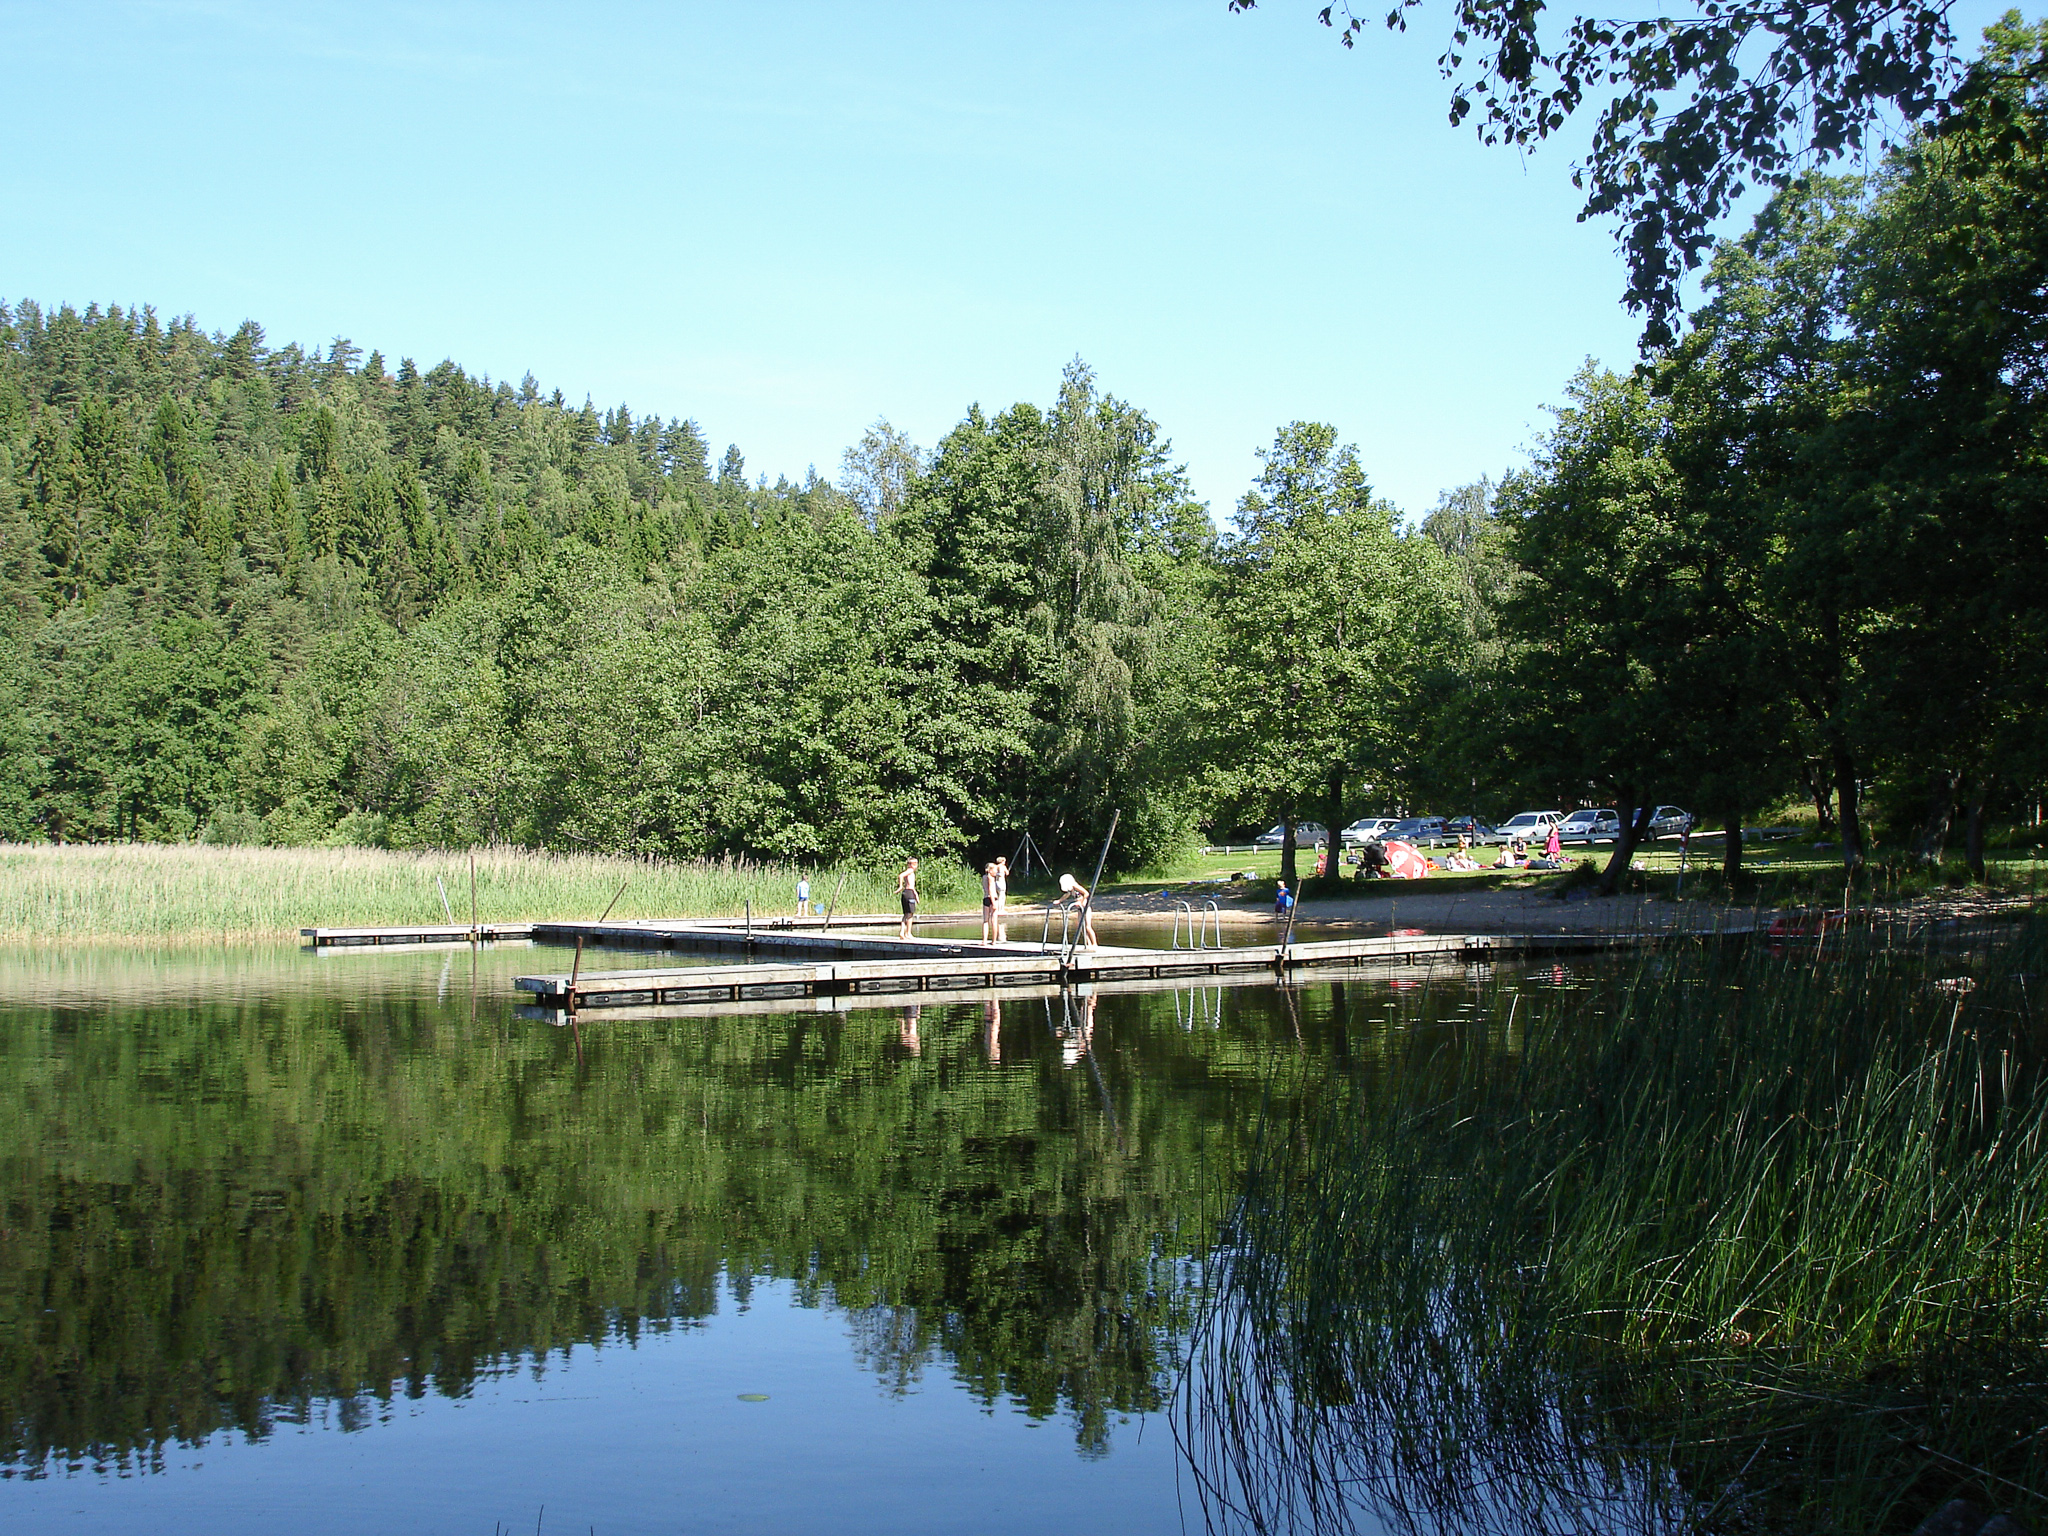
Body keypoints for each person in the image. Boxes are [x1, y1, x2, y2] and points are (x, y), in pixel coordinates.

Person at [1057, 872, 1099, 949]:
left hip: (1085, 907)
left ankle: (1094, 944)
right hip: (1080, 908)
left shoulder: (1075, 886)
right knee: (1080, 927)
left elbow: (1086, 893)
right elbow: (1066, 895)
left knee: (1088, 926)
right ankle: (1088, 944)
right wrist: (1059, 900)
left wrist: (1081, 902)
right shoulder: (1071, 889)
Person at [896, 857, 919, 939]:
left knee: (906, 914)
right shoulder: (910, 870)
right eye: (914, 863)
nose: (916, 865)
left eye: (916, 863)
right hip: (909, 893)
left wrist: (916, 895)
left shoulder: (911, 872)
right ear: (910, 864)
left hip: (908, 892)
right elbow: (901, 875)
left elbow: (912, 886)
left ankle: (902, 932)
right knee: (910, 914)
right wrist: (900, 886)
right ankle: (908, 933)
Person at [992, 856, 1009, 941]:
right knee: (1002, 896)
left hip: (996, 882)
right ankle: (1001, 909)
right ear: (1002, 861)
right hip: (1002, 882)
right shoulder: (1002, 867)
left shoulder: (995, 867)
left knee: (998, 896)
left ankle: (998, 908)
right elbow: (1007, 873)